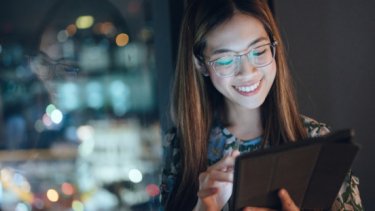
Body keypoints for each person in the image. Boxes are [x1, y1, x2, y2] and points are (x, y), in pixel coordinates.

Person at [160, 0, 363, 210]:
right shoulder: (181, 147)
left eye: (258, 51)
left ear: (274, 47)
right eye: (226, 60)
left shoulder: (318, 141)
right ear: (200, 63)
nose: (248, 72)